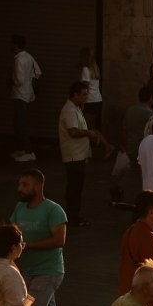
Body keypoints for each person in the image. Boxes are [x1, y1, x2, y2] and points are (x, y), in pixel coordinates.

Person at [10, 169, 73, 306]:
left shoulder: (54, 210)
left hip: (48, 274)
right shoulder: (20, 207)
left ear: (38, 186)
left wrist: (27, 245)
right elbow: (10, 230)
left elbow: (59, 240)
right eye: (20, 184)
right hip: (27, 272)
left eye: (25, 185)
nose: (20, 189)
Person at [58, 80, 103, 227]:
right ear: (75, 95)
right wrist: (89, 133)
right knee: (74, 187)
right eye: (83, 95)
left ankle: (73, 214)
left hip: (78, 155)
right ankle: (72, 215)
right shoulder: (70, 110)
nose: (86, 98)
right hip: (73, 156)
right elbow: (73, 131)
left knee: (76, 186)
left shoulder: (76, 108)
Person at [118, 192, 153, 295]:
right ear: (151, 212)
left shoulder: (130, 231)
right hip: (143, 300)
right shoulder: (148, 237)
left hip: (128, 295)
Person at [9, 35, 42, 163]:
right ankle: (23, 149)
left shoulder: (18, 60)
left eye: (12, 44)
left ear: (16, 45)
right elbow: (38, 72)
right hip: (27, 94)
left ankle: (29, 152)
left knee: (20, 123)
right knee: (18, 122)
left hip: (20, 95)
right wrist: (30, 80)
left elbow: (19, 80)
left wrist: (11, 81)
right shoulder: (29, 56)